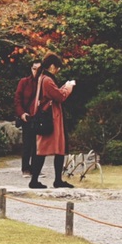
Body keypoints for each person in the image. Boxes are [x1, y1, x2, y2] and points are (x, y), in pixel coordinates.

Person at [30, 54, 77, 189]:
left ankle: (38, 180)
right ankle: (54, 180)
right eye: (57, 68)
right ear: (52, 66)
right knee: (56, 149)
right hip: (51, 118)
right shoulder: (47, 80)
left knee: (44, 149)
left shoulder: (42, 79)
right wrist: (68, 87)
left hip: (47, 116)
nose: (57, 71)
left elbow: (55, 94)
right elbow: (59, 96)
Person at [14, 62, 43, 188]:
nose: (36, 71)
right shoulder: (24, 82)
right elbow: (17, 99)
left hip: (39, 117)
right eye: (34, 68)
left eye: (38, 69)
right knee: (27, 143)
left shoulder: (43, 82)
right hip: (27, 116)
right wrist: (21, 113)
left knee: (38, 144)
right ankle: (25, 168)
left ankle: (35, 168)